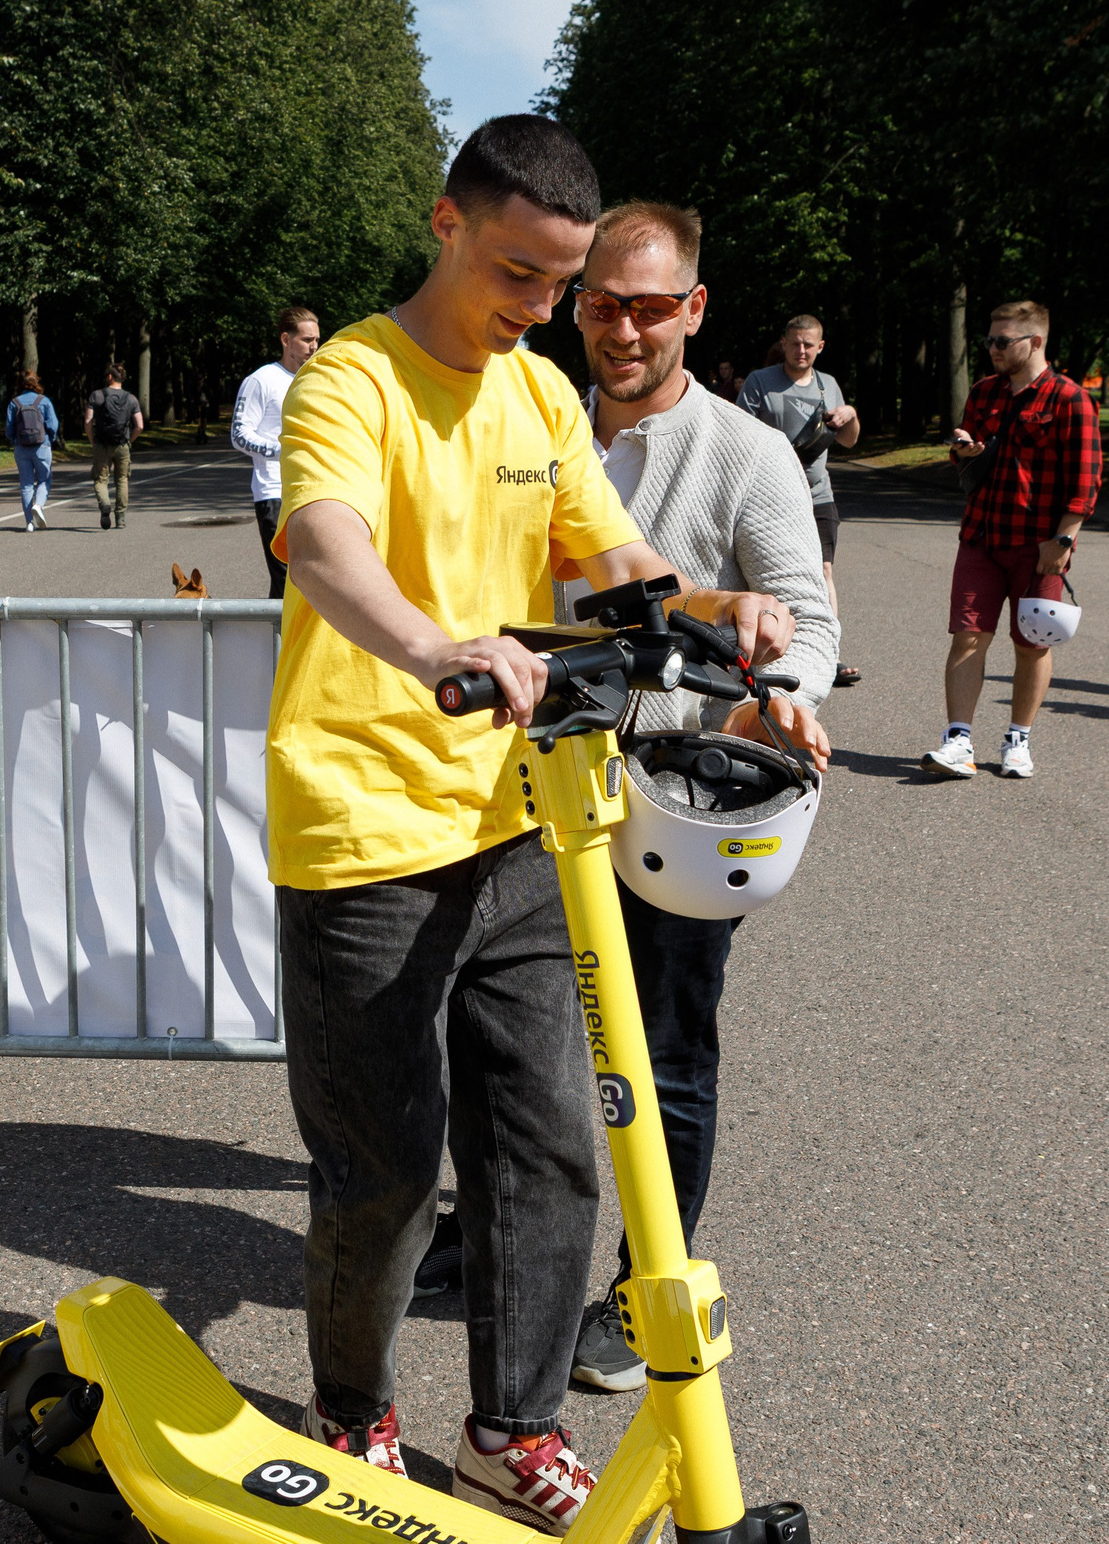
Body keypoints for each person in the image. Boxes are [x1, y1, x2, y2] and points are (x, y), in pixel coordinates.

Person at [268, 114, 791, 1533]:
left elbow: (606, 549)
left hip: (513, 821)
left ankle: (514, 1424)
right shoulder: (353, 380)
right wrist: (444, 643)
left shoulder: (540, 395)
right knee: (383, 1165)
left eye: (560, 286)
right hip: (366, 827)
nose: (541, 310)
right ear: (448, 224)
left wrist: (702, 601)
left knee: (554, 1138)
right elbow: (326, 548)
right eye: (519, 274)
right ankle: (352, 1410)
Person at [551, 200, 836, 1394]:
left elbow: (805, 621)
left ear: (695, 310)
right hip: (522, 787)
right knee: (504, 1039)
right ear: (575, 305)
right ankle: (489, 1235)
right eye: (604, 304)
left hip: (667, 797)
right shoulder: (531, 419)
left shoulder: (747, 452)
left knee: (664, 1054)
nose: (625, 330)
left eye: (651, 307)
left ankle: (644, 1282)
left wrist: (776, 693)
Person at [921, 300, 1100, 780]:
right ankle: (958, 740)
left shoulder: (1070, 399)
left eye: (1003, 341)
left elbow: (1086, 482)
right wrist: (965, 454)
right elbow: (970, 469)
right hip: (981, 534)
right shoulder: (983, 393)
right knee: (967, 636)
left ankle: (1018, 739)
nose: (993, 349)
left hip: (1040, 545)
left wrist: (1062, 541)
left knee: (1033, 644)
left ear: (1035, 342)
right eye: (990, 340)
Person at [737, 315, 862, 686]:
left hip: (817, 496)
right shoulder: (762, 382)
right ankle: (759, 651)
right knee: (764, 574)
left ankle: (828, 655)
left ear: (820, 347)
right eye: (795, 343)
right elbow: (741, 433)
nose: (802, 350)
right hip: (770, 497)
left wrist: (850, 415)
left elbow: (850, 441)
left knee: (823, 571)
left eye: (809, 344)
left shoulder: (829, 386)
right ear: (785, 343)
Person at [233, 307, 320, 598]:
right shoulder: (262, 380)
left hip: (314, 491)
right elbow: (239, 434)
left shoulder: (317, 377)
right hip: (274, 494)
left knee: (312, 582)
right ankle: (278, 643)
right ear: (286, 339)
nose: (314, 346)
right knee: (286, 583)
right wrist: (285, 451)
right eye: (307, 339)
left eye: (317, 340)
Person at [83, 362, 144, 530]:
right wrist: (130, 440)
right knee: (122, 480)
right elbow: (139, 425)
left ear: (110, 377)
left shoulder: (96, 395)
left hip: (102, 444)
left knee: (100, 479)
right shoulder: (131, 398)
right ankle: (121, 518)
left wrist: (92, 440)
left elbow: (88, 422)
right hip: (122, 444)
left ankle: (104, 505)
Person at [5, 370, 59, 531]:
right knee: (44, 479)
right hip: (41, 446)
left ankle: (29, 522)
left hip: (21, 448)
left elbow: (9, 429)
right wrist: (51, 439)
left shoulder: (14, 403)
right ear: (36, 382)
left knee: (26, 484)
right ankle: (39, 505)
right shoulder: (44, 401)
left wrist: (14, 440)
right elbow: (53, 425)